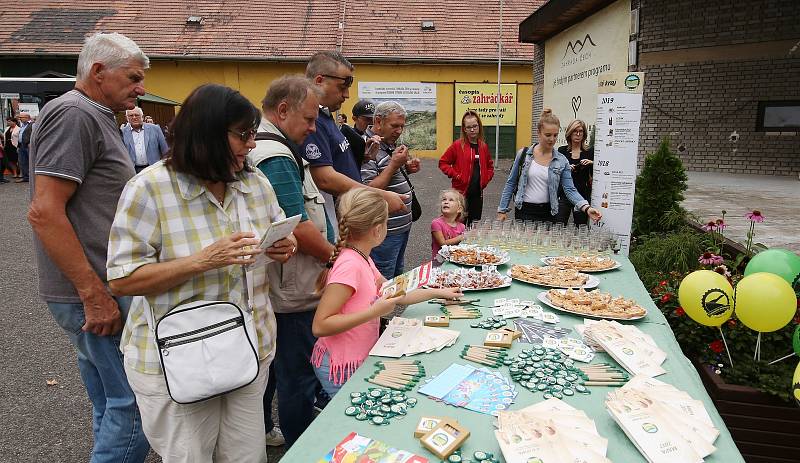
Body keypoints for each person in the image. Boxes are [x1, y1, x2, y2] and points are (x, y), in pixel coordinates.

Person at [107, 83, 297, 463]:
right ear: (207, 133)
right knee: (191, 457)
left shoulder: (254, 182)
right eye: (243, 135)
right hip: (181, 357)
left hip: (251, 348)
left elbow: (280, 233)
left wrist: (283, 248)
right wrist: (203, 260)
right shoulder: (149, 189)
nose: (252, 144)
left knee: (247, 457)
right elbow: (122, 278)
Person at [27, 32, 151, 463]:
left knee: (110, 402)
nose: (140, 89)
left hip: (95, 288)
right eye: (133, 78)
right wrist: (93, 293)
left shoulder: (95, 114)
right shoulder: (74, 114)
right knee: (134, 408)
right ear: (98, 71)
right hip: (92, 291)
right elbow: (44, 211)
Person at [248, 75, 335, 448]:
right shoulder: (277, 156)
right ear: (283, 110)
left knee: (273, 371)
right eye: (309, 119)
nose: (314, 128)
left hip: (284, 286)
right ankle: (302, 446)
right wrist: (337, 258)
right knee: (296, 376)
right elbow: (298, 224)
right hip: (293, 291)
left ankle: (265, 429)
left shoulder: (274, 147)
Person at [310, 188, 462, 397]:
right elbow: (320, 325)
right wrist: (374, 312)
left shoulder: (362, 257)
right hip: (341, 364)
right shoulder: (350, 265)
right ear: (377, 229)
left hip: (356, 356)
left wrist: (439, 292)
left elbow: (398, 293)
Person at [301, 51, 406, 237]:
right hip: (335, 224)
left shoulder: (325, 116)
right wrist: (378, 195)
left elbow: (335, 161)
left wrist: (362, 157)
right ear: (319, 81)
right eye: (342, 87)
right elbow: (324, 178)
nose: (347, 95)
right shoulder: (312, 121)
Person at [497, 109, 602, 223]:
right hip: (524, 211)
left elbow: (570, 189)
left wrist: (586, 208)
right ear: (538, 133)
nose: (552, 139)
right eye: (548, 135)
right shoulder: (524, 155)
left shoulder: (561, 160)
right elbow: (511, 183)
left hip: (549, 212)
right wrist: (502, 210)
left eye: (555, 135)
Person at [360, 101, 419, 280]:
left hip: (400, 228)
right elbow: (368, 191)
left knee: (395, 277)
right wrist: (394, 165)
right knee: (382, 284)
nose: (399, 131)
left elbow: (385, 175)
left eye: (402, 126)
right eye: (395, 126)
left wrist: (406, 168)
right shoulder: (369, 146)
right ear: (378, 122)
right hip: (384, 233)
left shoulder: (387, 142)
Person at [439, 110, 495, 226]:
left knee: (473, 226)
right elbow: (443, 163)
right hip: (460, 194)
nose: (472, 129)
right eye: (469, 127)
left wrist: (486, 179)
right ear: (464, 129)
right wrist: (456, 175)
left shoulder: (483, 146)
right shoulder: (458, 145)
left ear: (479, 126)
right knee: (458, 225)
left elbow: (490, 166)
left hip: (477, 195)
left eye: (475, 126)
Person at [556, 120, 594, 226]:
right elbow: (555, 172)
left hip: (582, 195)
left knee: (581, 227)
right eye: (575, 131)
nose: (578, 134)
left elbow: (596, 174)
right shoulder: (562, 151)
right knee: (559, 224)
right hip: (564, 194)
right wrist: (566, 168)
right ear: (570, 133)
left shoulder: (589, 152)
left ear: (584, 134)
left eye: (580, 131)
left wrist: (592, 163)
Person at [122, 106, 168, 172]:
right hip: (133, 170)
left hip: (154, 169)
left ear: (142, 117)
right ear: (127, 118)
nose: (134, 117)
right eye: (131, 115)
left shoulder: (155, 129)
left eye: (137, 115)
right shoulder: (122, 132)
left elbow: (165, 150)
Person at [431, 189, 466, 261]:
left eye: (451, 200)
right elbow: (443, 243)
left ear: (459, 209)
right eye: (444, 200)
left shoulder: (462, 226)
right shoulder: (436, 223)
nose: (446, 202)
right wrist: (460, 237)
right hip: (440, 261)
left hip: (457, 260)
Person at [341, 99, 379, 166]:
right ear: (354, 118)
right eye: (367, 119)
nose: (371, 122)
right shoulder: (347, 138)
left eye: (373, 119)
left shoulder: (378, 136)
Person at [16, 112, 32, 182]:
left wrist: (31, 142)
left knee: (30, 162)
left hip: (28, 145)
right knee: (23, 162)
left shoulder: (32, 124)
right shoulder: (22, 125)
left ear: (26, 117)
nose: (20, 119)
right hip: (21, 145)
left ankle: (32, 178)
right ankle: (26, 177)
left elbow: (35, 134)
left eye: (21, 117)